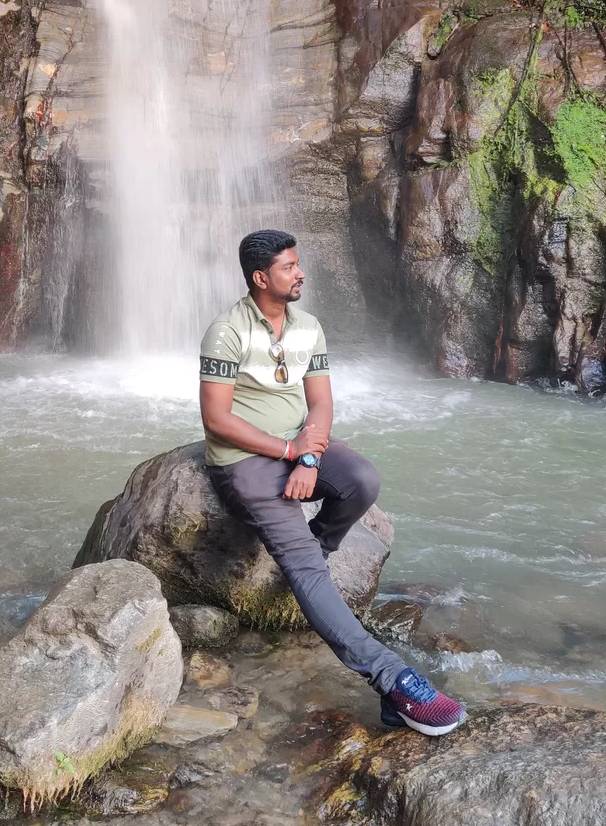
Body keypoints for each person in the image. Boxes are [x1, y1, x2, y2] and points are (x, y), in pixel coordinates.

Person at [199, 228, 467, 736]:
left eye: (298, 265)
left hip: (300, 446)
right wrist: (285, 452)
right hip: (246, 461)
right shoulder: (226, 332)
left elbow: (320, 403)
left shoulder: (308, 327)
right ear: (261, 277)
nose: (301, 273)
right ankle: (393, 680)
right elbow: (216, 419)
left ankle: (314, 559)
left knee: (362, 480)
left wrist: (307, 457)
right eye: (289, 267)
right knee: (302, 567)